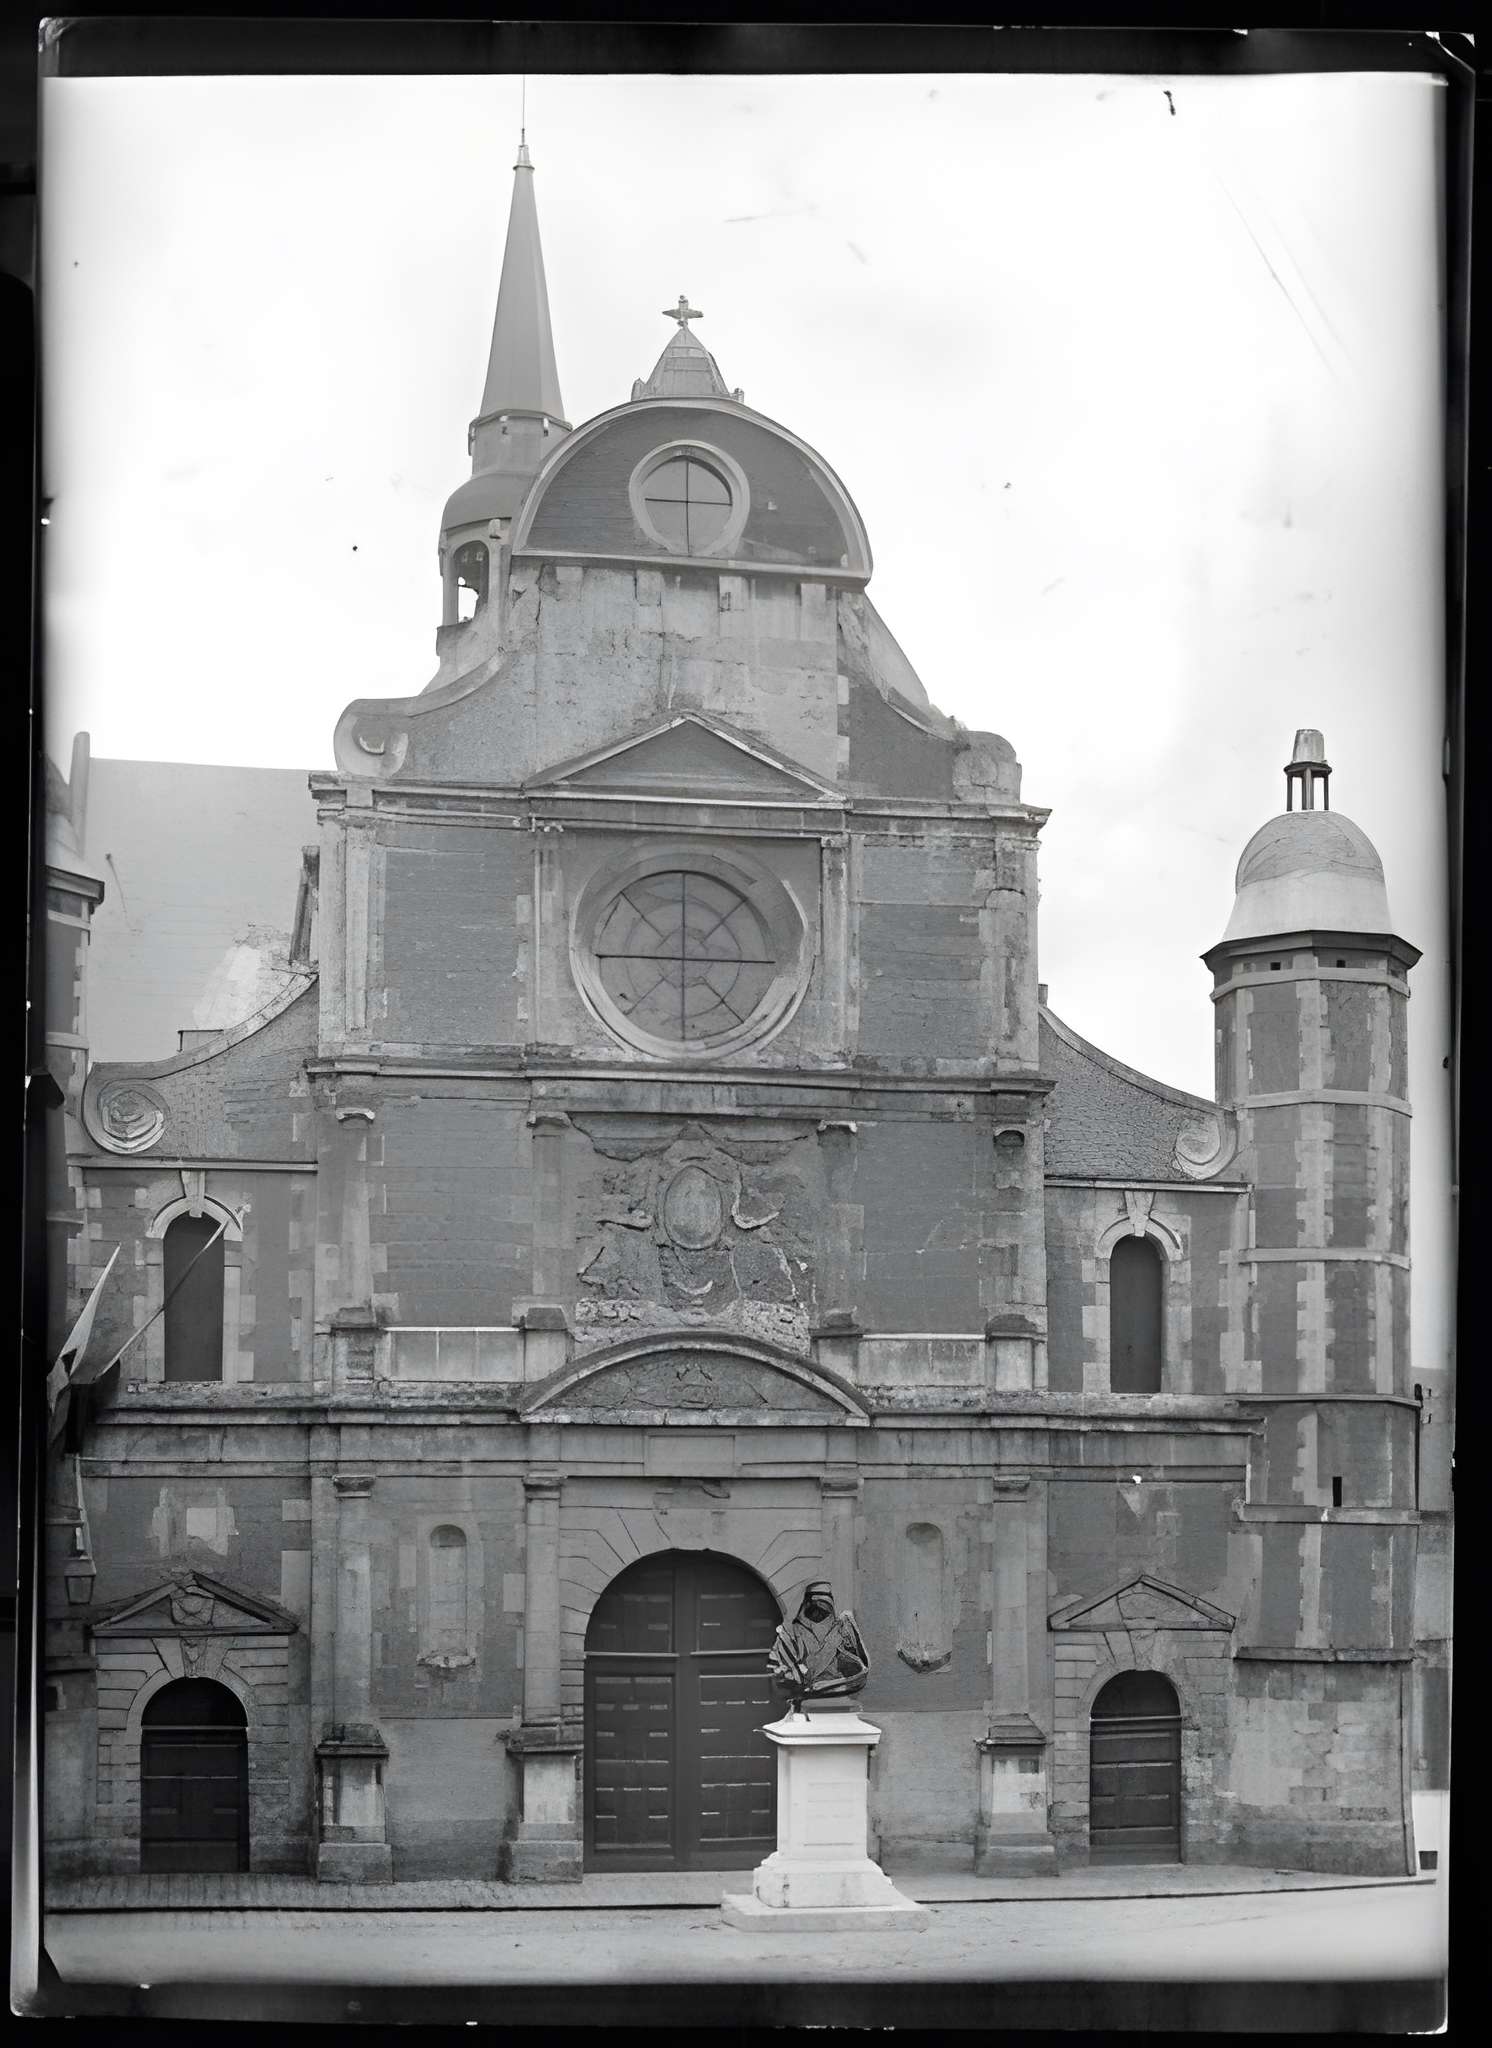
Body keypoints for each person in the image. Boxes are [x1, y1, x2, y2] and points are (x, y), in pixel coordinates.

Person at [767, 1580, 870, 1710]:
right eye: (814, 1606)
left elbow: (858, 1665)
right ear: (806, 1604)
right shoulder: (791, 1634)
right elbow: (782, 1674)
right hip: (806, 1705)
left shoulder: (841, 1629)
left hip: (843, 1700)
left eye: (824, 1607)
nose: (818, 1613)